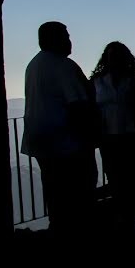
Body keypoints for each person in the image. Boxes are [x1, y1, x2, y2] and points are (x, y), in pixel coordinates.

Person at [21, 22, 99, 234]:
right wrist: (92, 135)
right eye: (65, 36)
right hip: (67, 140)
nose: (69, 41)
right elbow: (78, 105)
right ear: (56, 39)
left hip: (40, 139)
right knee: (79, 187)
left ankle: (59, 227)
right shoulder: (64, 66)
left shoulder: (33, 65)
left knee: (54, 188)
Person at [90, 41, 135, 228]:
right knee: (116, 174)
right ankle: (126, 212)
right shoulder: (97, 81)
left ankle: (129, 212)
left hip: (131, 135)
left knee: (130, 173)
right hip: (108, 136)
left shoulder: (133, 80)